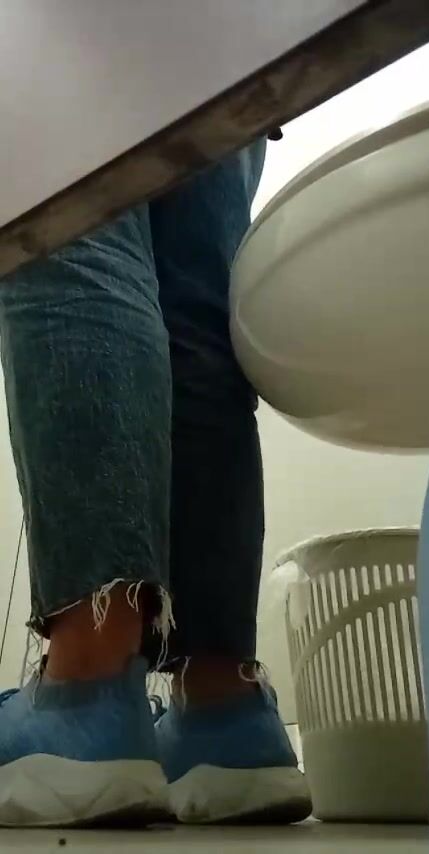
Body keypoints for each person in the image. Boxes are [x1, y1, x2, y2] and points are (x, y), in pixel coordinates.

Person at [0, 138, 311, 827]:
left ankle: (88, 685)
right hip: (228, 68)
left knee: (65, 221)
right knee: (199, 316)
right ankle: (223, 711)